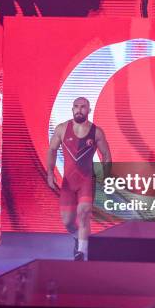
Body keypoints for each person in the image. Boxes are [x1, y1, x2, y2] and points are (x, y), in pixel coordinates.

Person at [46, 97, 111, 261]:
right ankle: (77, 237)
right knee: (68, 222)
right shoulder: (62, 129)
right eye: (76, 106)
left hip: (86, 181)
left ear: (88, 110)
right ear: (72, 109)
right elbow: (52, 150)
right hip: (68, 183)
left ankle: (81, 252)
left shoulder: (96, 132)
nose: (79, 110)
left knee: (83, 214)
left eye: (83, 107)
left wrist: (106, 175)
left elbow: (106, 155)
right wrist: (49, 173)